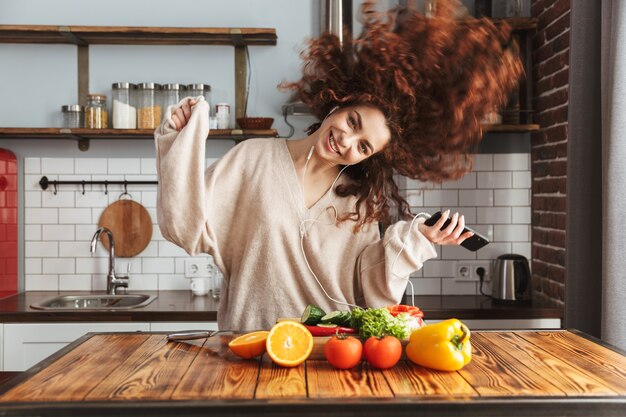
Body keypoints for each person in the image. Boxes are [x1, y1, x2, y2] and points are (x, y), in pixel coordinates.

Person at [155, 0, 522, 331]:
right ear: (338, 104)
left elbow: (369, 292)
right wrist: (182, 138)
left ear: (370, 158)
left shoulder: (358, 201)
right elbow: (185, 226)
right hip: (250, 351)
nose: (346, 142)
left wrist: (417, 240)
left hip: (329, 356)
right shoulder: (253, 158)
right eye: (352, 122)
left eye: (363, 146)